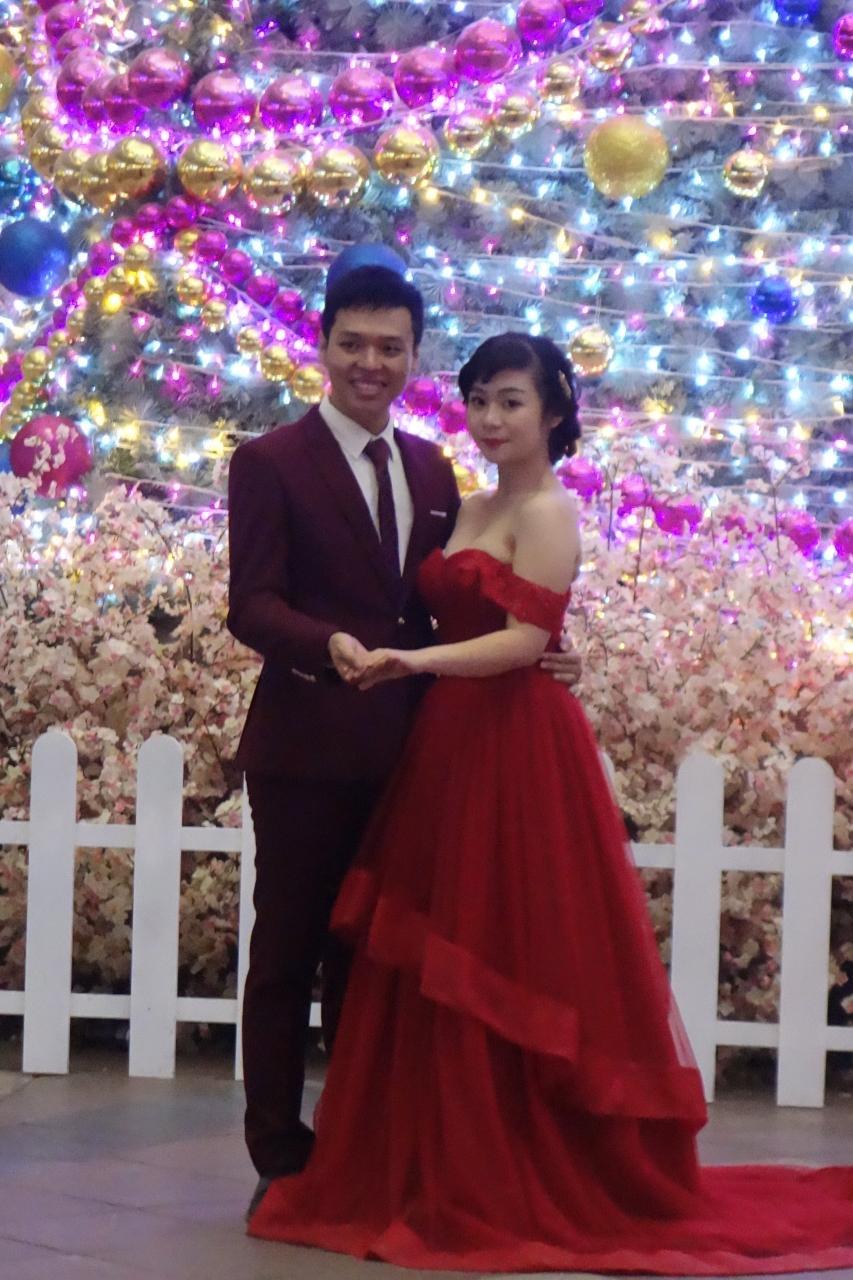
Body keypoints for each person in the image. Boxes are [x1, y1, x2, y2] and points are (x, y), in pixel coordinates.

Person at [248, 332, 853, 1273]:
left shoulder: (550, 510)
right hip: (440, 746)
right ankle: (431, 1154)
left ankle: (514, 1162)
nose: (491, 419)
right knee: (437, 947)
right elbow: (450, 613)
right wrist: (426, 656)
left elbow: (524, 642)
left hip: (516, 748)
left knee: (509, 942)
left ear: (555, 412)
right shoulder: (460, 498)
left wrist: (422, 660)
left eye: (512, 402)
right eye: (479, 399)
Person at [227, 254, 581, 1220]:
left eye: (390, 347)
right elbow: (251, 603)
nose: (370, 363)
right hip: (305, 748)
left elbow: (464, 599)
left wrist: (550, 649)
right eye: (353, 344)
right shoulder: (269, 462)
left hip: (416, 754)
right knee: (287, 952)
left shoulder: (432, 468)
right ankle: (279, 1152)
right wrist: (327, 645)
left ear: (413, 355)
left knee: (378, 955)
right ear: (322, 345)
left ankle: (361, 1145)